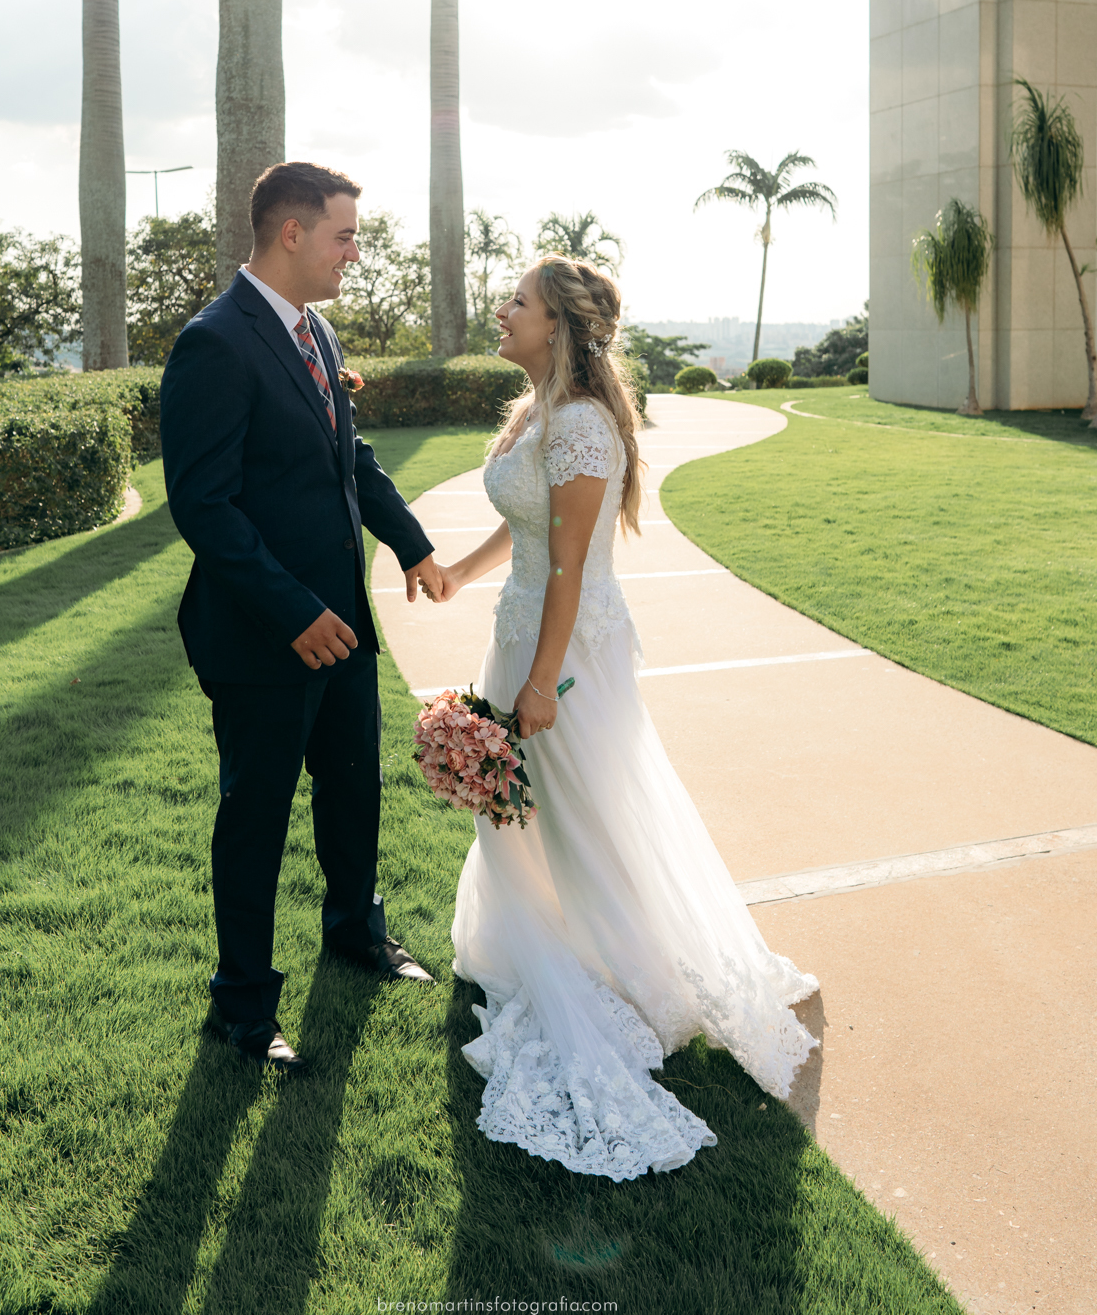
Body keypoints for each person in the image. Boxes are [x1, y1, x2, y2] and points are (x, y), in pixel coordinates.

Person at [420, 254, 819, 1179]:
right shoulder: (533, 413)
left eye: (517, 301)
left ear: (556, 324)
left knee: (587, 813)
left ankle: (633, 972)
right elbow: (525, 535)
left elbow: (568, 566)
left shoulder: (589, 427)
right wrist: (456, 574)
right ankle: (548, 939)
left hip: (566, 658)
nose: (503, 310)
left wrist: (539, 682)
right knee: (525, 816)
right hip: (519, 636)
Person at [160, 161, 441, 1076]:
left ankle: (355, 931)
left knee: (354, 787)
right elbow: (205, 507)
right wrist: (292, 613)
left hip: (344, 628)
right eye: (346, 236)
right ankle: (241, 1006)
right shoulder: (215, 343)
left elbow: (345, 454)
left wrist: (410, 542)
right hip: (261, 638)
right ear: (292, 233)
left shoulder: (314, 328)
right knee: (256, 817)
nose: (354, 253)